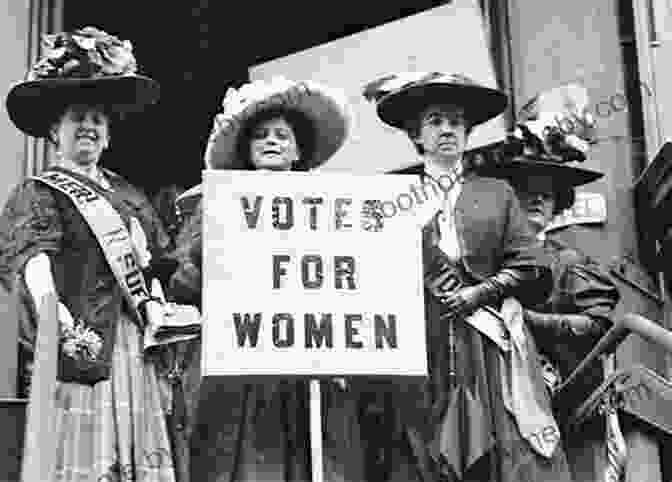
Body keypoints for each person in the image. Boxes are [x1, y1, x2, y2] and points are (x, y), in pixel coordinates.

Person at [361, 72, 572, 482]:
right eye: (436, 122)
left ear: (468, 133)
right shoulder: (389, 198)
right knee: (418, 443)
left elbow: (532, 266)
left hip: (485, 340)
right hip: (417, 341)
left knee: (498, 444)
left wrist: (480, 292)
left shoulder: (495, 193)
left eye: (456, 123)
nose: (447, 130)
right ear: (416, 135)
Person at [0, 27, 179, 481]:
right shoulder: (38, 193)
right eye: (77, 117)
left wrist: (157, 306)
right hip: (80, 335)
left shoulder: (128, 194)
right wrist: (53, 316)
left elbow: (153, 264)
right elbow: (33, 260)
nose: (89, 126)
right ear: (54, 132)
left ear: (108, 134)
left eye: (98, 119)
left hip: (134, 341)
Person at [169, 77, 365, 482]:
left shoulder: (329, 205)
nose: (271, 141)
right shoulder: (215, 204)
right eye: (260, 135)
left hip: (309, 353)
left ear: (298, 150)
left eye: (282, 135)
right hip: (240, 359)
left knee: (313, 448)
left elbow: (356, 276)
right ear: (246, 149)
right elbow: (183, 285)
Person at [484, 103, 620, 398]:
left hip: (550, 396)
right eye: (528, 188)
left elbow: (597, 324)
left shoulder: (568, 262)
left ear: (557, 202)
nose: (538, 199)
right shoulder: (481, 260)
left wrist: (530, 321)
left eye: (547, 192)